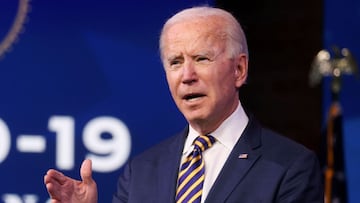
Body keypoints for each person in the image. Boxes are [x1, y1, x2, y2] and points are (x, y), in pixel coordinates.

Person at [44, 6, 324, 203]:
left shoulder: (291, 167)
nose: (187, 76)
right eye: (175, 62)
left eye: (202, 58)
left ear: (239, 69)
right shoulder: (141, 171)